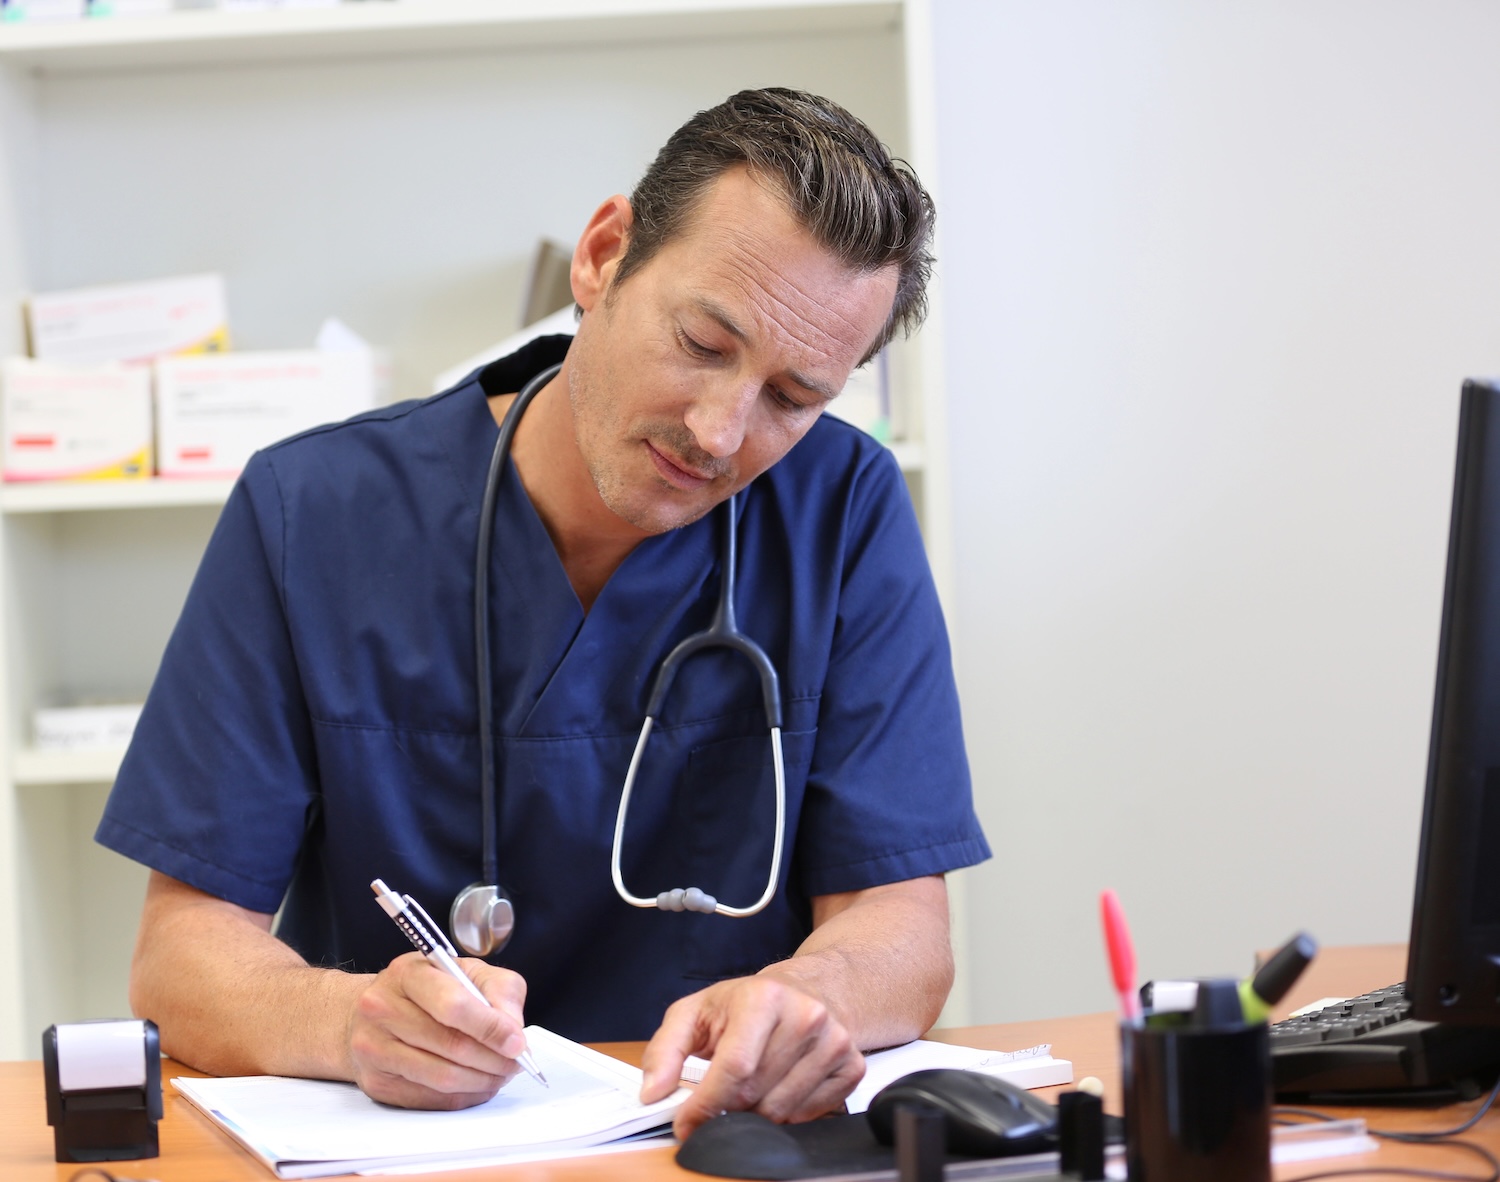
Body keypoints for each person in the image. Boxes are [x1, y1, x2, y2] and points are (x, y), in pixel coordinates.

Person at [96, 87, 990, 1138]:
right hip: (405, 1148)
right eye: (704, 342)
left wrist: (813, 998)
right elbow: (181, 957)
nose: (719, 432)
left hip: (709, 1141)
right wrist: (346, 1021)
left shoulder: (842, 509)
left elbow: (901, 923)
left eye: (792, 399)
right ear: (604, 256)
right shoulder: (314, 512)